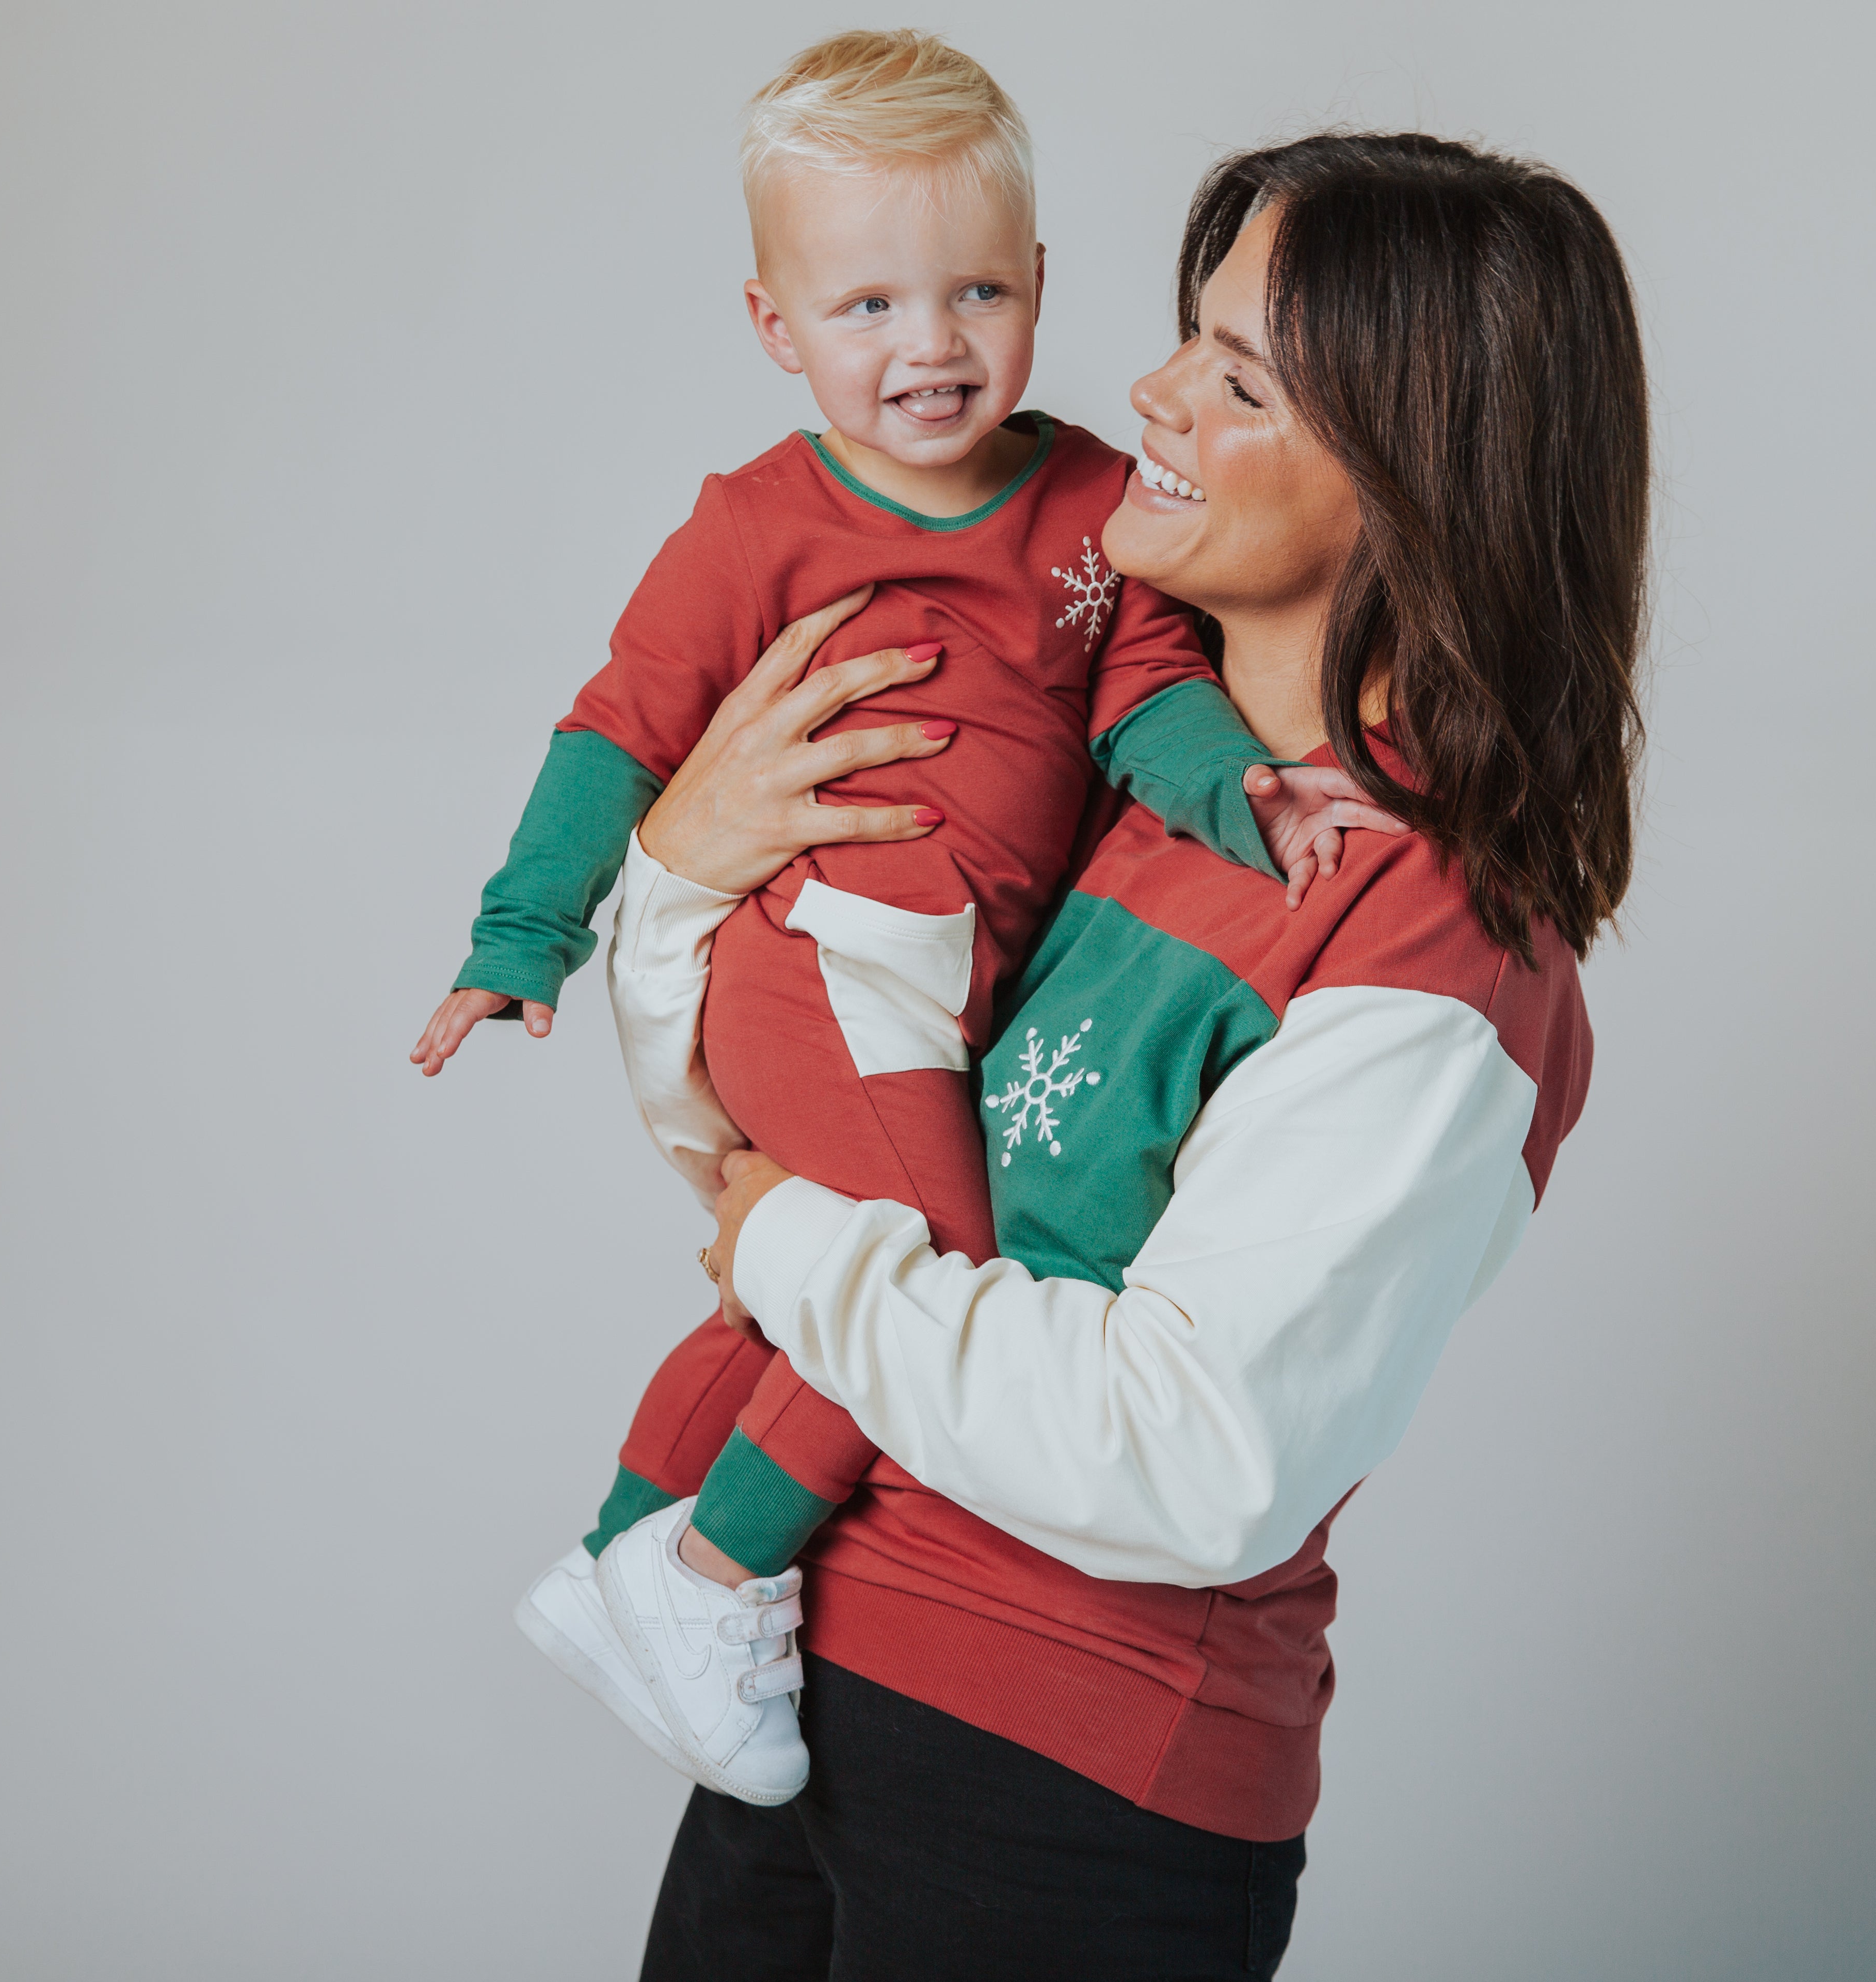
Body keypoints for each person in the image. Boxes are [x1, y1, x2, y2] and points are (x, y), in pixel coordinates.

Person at [611, 131, 1647, 1978]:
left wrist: (788, 1247)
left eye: (1239, 378)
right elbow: (750, 1129)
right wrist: (678, 873)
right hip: (797, 1678)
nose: (1151, 392)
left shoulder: (1437, 942)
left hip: (1071, 1793)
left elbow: (1189, 1454)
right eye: (1190, 333)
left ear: (1417, 482)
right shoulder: (1076, 762)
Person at [407, 32, 1390, 1804]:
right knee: (921, 1272)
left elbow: (1147, 698)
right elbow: (619, 728)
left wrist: (1235, 788)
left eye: (974, 294)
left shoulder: (1100, 507)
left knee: (808, 1300)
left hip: (949, 988)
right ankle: (713, 1582)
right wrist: (520, 935)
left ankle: (626, 1544)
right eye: (865, 307)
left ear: (1038, 290)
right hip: (823, 957)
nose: (928, 347)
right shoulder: (757, 527)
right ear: (777, 328)